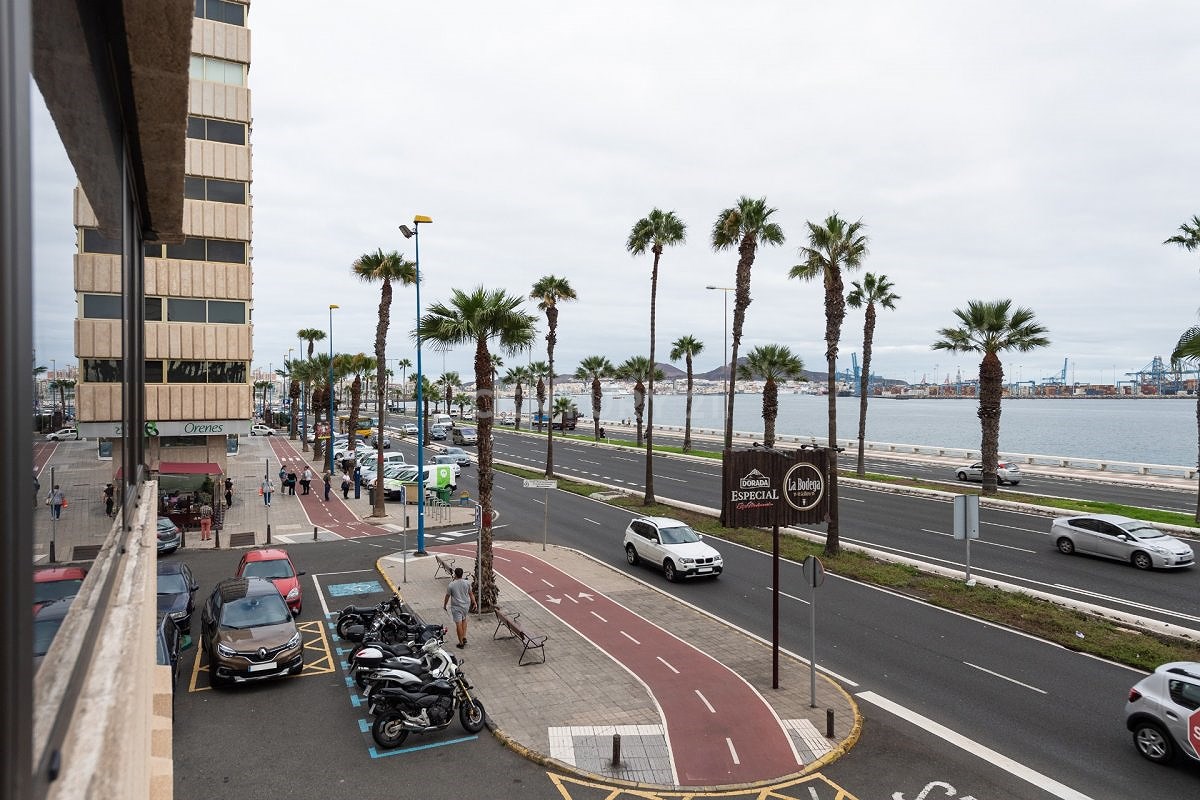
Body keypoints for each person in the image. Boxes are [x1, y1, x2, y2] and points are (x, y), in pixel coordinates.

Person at [442, 567, 476, 649]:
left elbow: (447, 596)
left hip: (456, 607)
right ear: (462, 574)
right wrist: (474, 602)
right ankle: (464, 637)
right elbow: (471, 594)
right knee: (464, 620)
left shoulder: (451, 585)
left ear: (455, 574)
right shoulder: (467, 583)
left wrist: (445, 605)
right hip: (466, 606)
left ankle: (461, 643)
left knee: (458, 624)